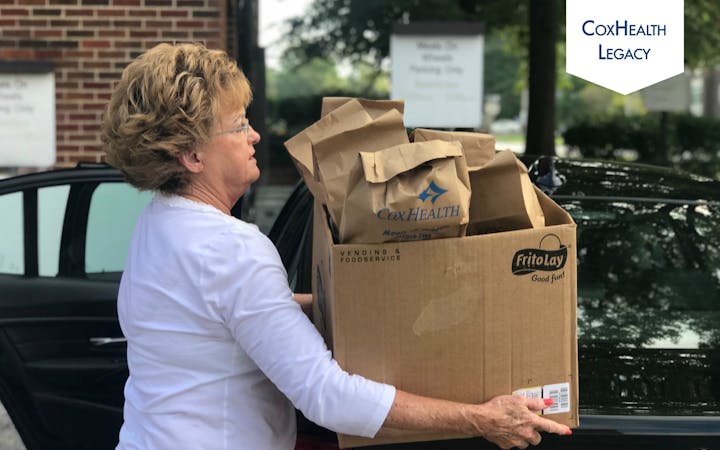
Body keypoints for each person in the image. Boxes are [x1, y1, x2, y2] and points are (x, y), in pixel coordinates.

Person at [101, 42, 572, 450]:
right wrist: (481, 419)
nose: (254, 136)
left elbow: (229, 316)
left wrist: (364, 297)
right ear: (192, 155)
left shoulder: (159, 224)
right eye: (239, 125)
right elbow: (325, 396)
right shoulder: (231, 249)